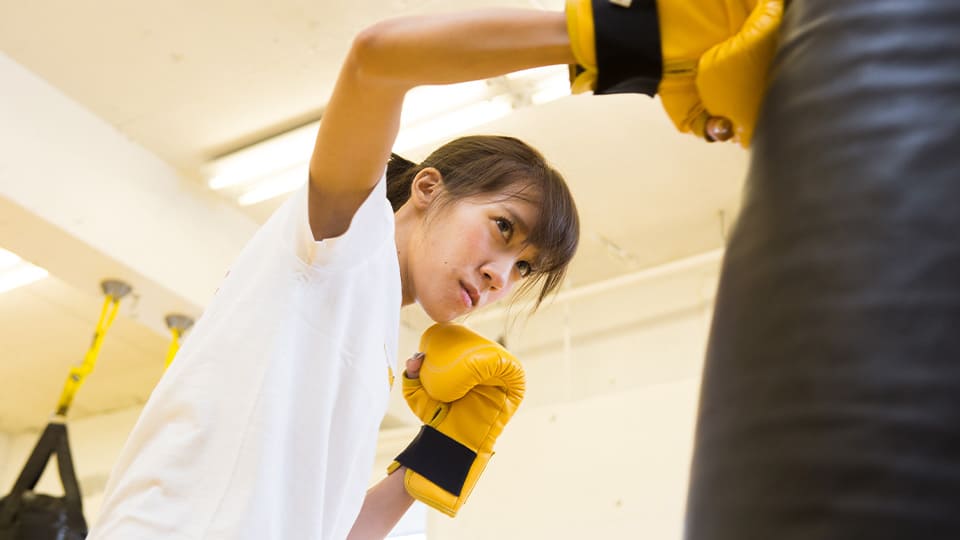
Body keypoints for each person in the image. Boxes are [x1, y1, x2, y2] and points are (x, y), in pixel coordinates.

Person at [89, 7, 579, 540]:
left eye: (523, 266)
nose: (499, 278)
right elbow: (378, 58)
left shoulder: (371, 339)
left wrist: (443, 452)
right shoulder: (343, 242)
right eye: (503, 227)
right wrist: (601, 36)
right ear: (428, 188)